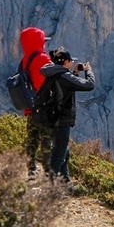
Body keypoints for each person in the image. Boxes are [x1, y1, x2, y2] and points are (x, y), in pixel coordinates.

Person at [40, 47, 95, 183]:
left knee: (64, 151)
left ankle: (66, 183)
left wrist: (75, 73)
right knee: (59, 155)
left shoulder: (53, 73)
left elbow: (65, 89)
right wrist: (88, 71)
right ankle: (50, 188)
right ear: (65, 62)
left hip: (51, 118)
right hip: (61, 120)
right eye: (70, 61)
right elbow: (89, 85)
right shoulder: (64, 76)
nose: (71, 63)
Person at [19, 27, 53, 178]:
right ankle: (48, 171)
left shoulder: (24, 60)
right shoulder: (42, 58)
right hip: (43, 106)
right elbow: (52, 78)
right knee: (47, 139)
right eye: (42, 41)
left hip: (30, 106)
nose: (44, 44)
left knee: (32, 139)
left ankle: (31, 169)